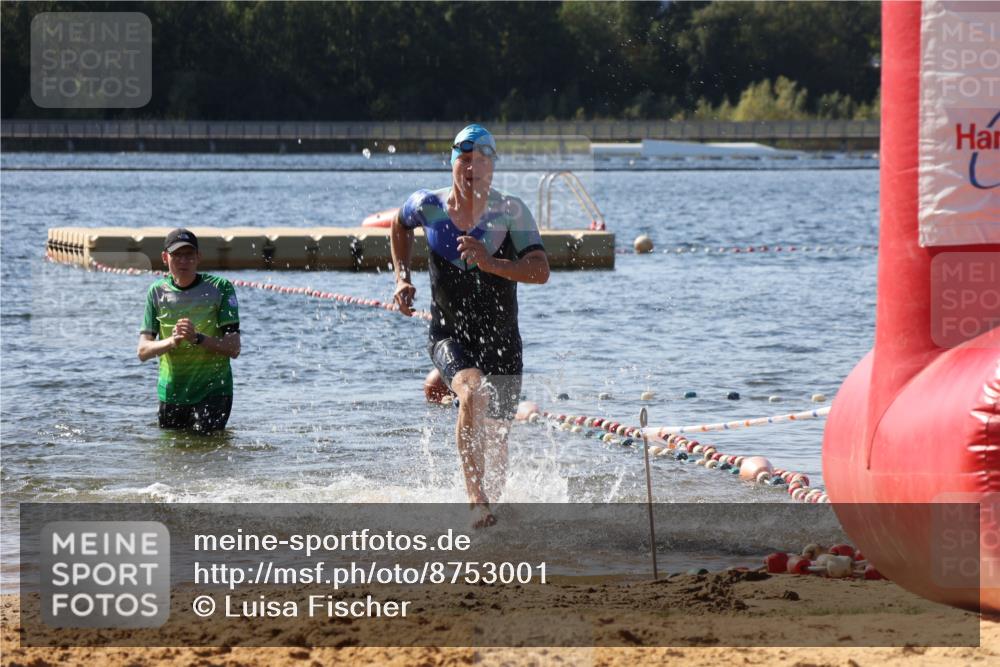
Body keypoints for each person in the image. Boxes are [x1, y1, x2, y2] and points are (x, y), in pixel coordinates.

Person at [391, 124, 550, 527]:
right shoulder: (428, 206)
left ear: (493, 168)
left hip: (503, 339)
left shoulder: (511, 212)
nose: (473, 169)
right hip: (449, 334)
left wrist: (491, 262)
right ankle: (476, 499)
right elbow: (398, 225)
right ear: (452, 164)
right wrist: (401, 278)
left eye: (482, 161)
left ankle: (492, 509)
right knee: (472, 392)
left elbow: (541, 270)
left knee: (497, 437)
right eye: (465, 160)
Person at [137, 228, 241, 433]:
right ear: (165, 258)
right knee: (172, 457)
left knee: (207, 452)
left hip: (214, 391)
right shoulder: (156, 292)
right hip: (172, 392)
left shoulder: (220, 287)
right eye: (177, 255)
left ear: (198, 257)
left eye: (189, 255)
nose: (183, 261)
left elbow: (234, 348)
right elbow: (143, 351)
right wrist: (172, 341)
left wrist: (198, 338)